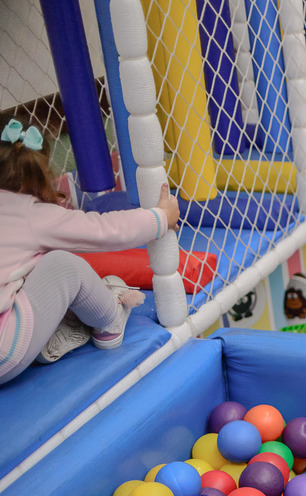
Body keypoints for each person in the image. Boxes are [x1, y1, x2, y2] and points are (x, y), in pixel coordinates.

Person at [0, 118, 179, 385]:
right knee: (60, 263)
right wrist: (162, 217)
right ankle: (109, 319)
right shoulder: (29, 213)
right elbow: (104, 230)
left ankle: (50, 332)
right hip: (5, 350)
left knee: (25, 269)